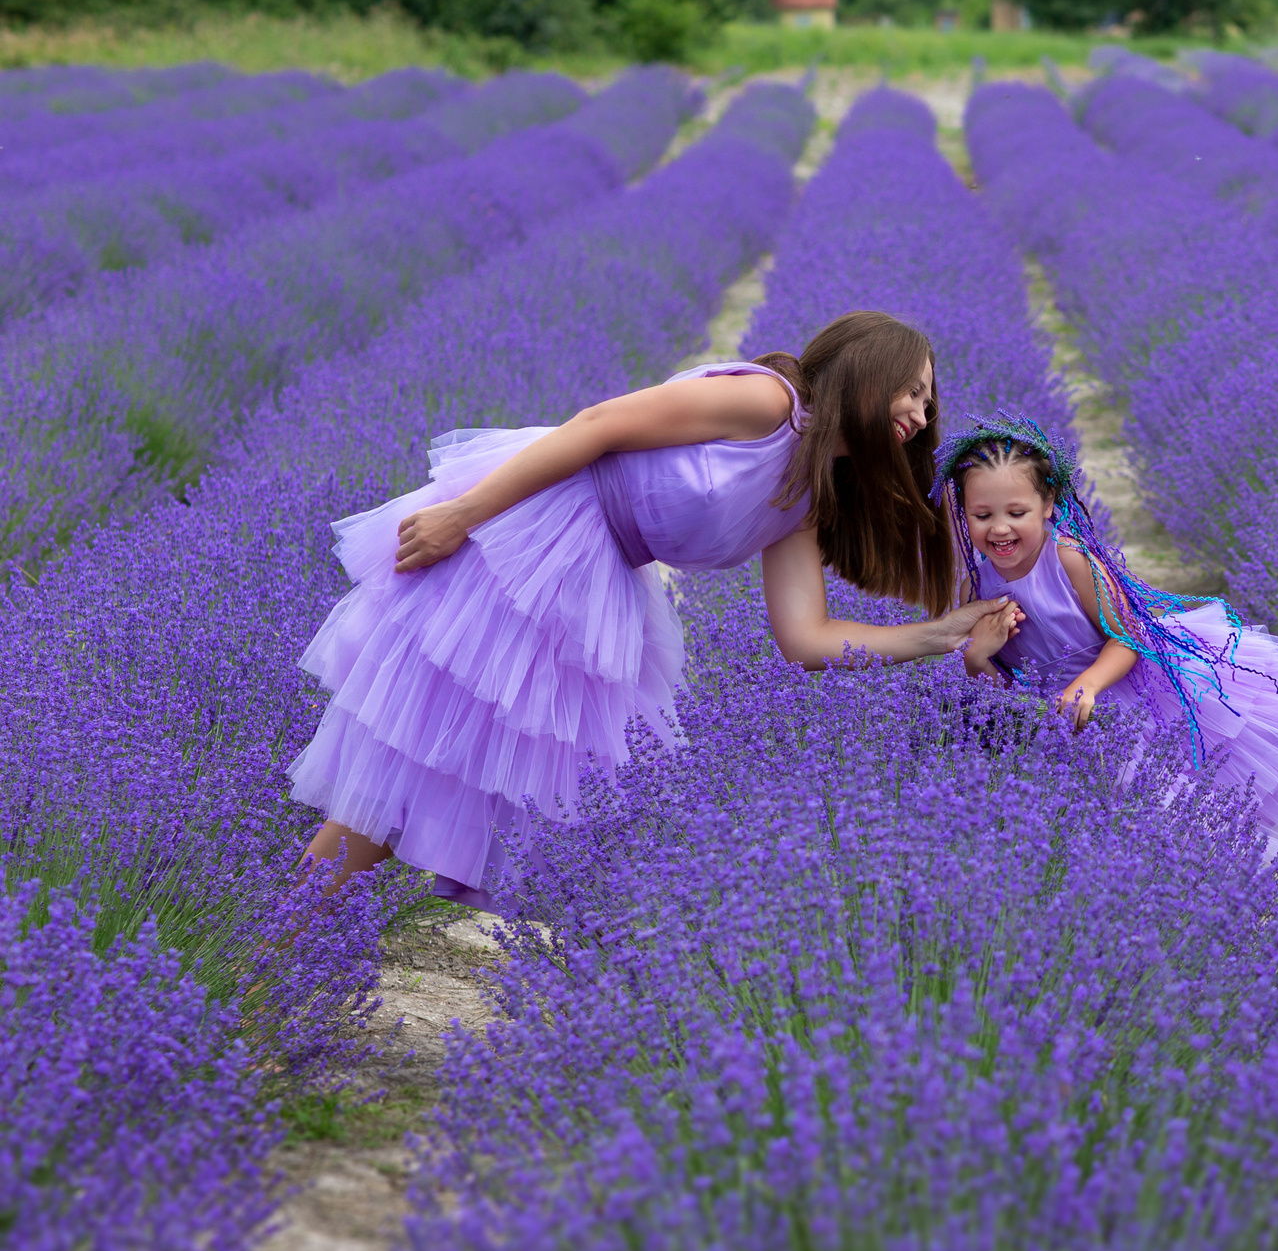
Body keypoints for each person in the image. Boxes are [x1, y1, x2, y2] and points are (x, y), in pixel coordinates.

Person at [291, 311, 1010, 906]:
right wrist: (465, 514)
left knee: (425, 786)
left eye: (928, 401)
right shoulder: (769, 404)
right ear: (866, 372)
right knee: (401, 776)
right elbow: (602, 423)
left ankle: (276, 961)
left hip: (593, 582)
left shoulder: (806, 497)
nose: (920, 414)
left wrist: (935, 635)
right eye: (911, 391)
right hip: (536, 538)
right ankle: (270, 965)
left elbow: (805, 638)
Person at [942, 416, 1278, 845]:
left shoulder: (1068, 559)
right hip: (1059, 721)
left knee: (1192, 797)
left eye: (1017, 512)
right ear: (964, 513)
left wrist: (1089, 683)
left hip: (1131, 691)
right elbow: (1004, 693)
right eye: (982, 515)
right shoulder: (975, 588)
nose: (1000, 528)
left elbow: (1128, 637)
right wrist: (976, 658)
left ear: (1047, 504)